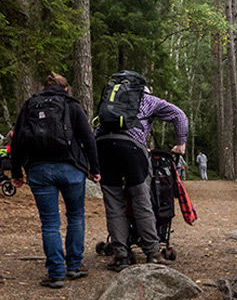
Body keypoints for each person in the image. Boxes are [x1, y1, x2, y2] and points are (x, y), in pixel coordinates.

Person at [9, 73, 101, 288]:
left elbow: (18, 139)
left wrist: (16, 172)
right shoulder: (72, 105)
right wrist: (95, 169)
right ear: (66, 88)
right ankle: (74, 266)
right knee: (75, 216)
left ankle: (56, 272)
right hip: (71, 168)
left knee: (50, 223)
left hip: (38, 169)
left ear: (43, 88)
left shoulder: (30, 105)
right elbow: (88, 138)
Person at [95, 71, 187, 270]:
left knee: (113, 203)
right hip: (132, 148)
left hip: (103, 146)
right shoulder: (149, 100)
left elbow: (98, 129)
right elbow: (179, 115)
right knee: (141, 200)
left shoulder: (110, 102)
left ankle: (121, 256)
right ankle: (152, 253)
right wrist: (180, 144)